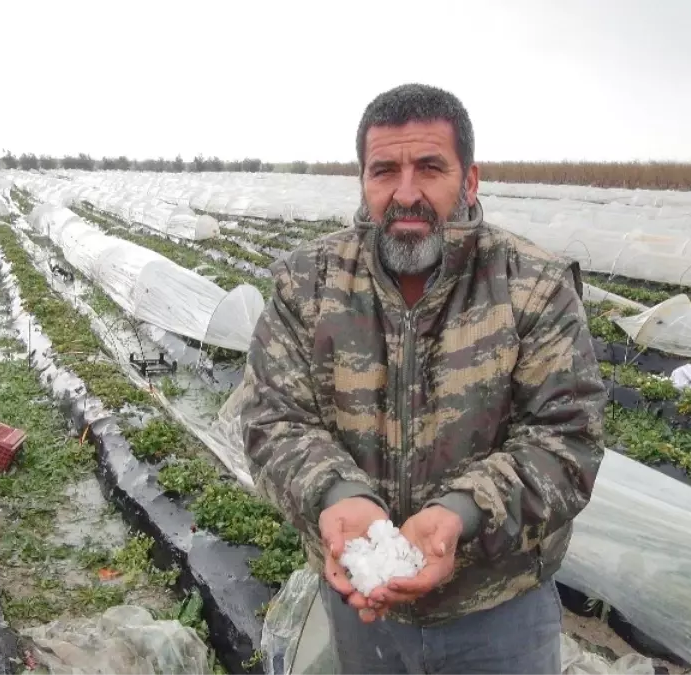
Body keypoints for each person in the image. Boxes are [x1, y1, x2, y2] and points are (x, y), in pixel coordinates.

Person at [241, 83, 606, 675]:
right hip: (365, 602)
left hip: (498, 609)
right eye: (384, 170)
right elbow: (272, 418)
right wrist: (340, 498)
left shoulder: (532, 286)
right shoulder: (306, 284)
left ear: (470, 179)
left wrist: (460, 515)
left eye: (429, 167)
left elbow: (567, 439)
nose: (405, 193)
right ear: (362, 180)